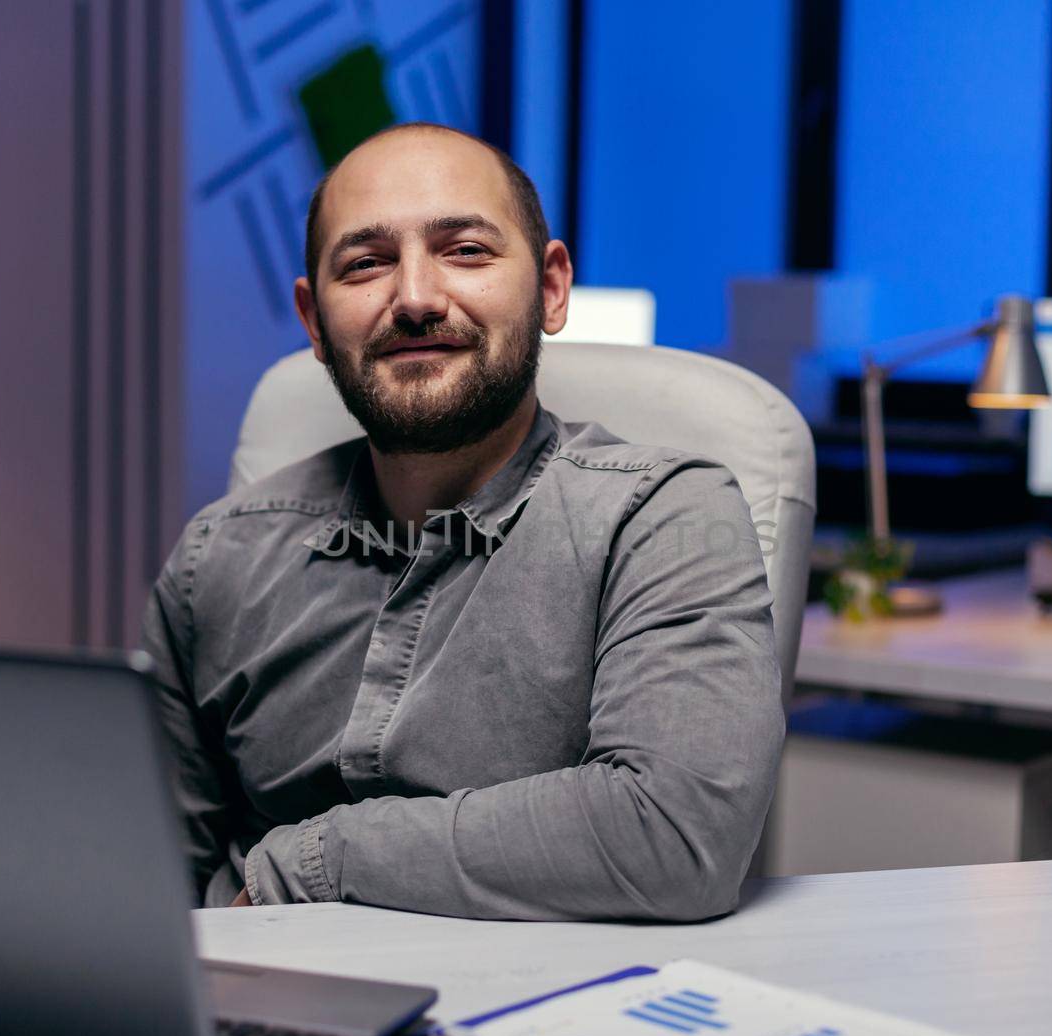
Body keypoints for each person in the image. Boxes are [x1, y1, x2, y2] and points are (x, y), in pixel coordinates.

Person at [142, 122, 783, 921]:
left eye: (467, 251)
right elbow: (141, 869)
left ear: (550, 289)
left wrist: (313, 859)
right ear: (313, 319)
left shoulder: (662, 517)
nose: (414, 297)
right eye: (366, 263)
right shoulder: (218, 555)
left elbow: (676, 834)